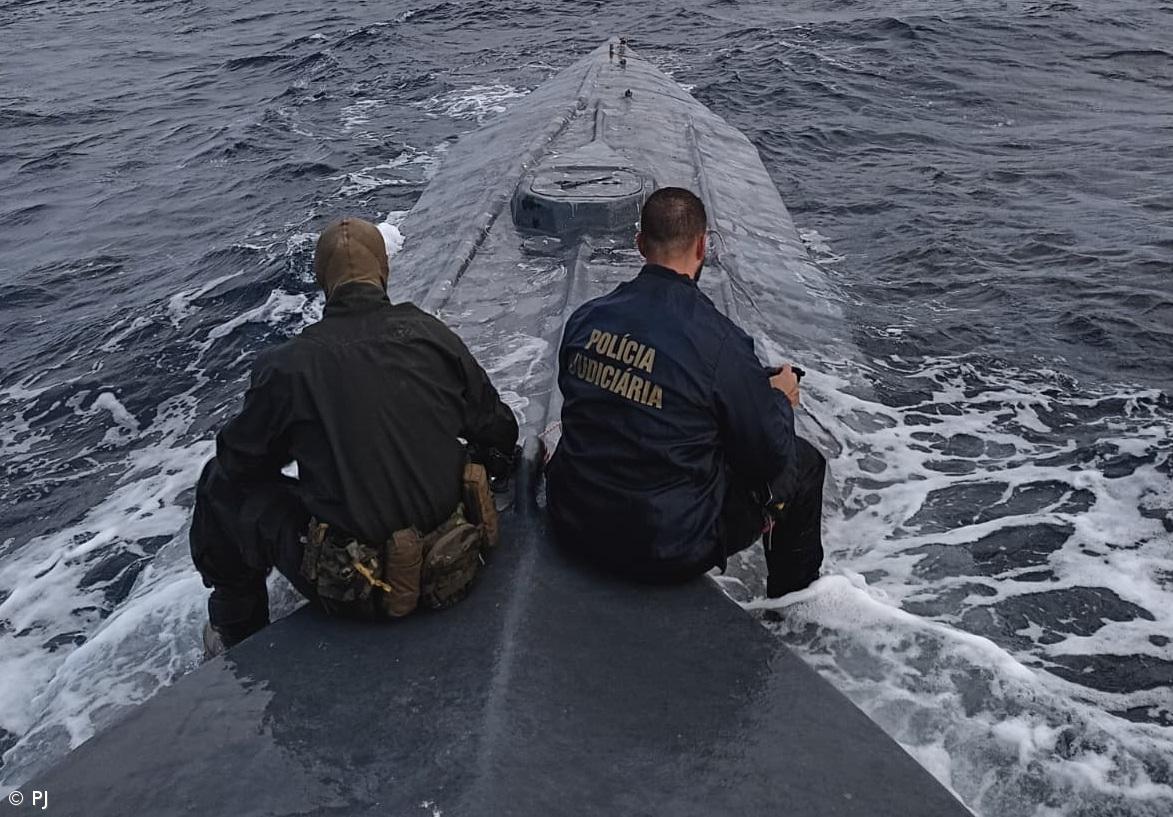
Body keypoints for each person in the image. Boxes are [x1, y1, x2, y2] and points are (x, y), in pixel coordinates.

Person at [190, 217, 518, 653]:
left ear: (321, 282)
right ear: (384, 270)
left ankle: (236, 631)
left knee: (219, 485)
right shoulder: (432, 335)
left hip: (357, 591)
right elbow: (500, 430)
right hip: (456, 561)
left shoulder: (287, 367)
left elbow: (238, 464)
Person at [546, 188, 826, 597]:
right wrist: (779, 400)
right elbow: (768, 458)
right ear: (701, 246)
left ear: (640, 244)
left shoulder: (586, 318)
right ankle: (792, 603)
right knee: (805, 464)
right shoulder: (721, 344)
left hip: (573, 521)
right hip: (667, 548)